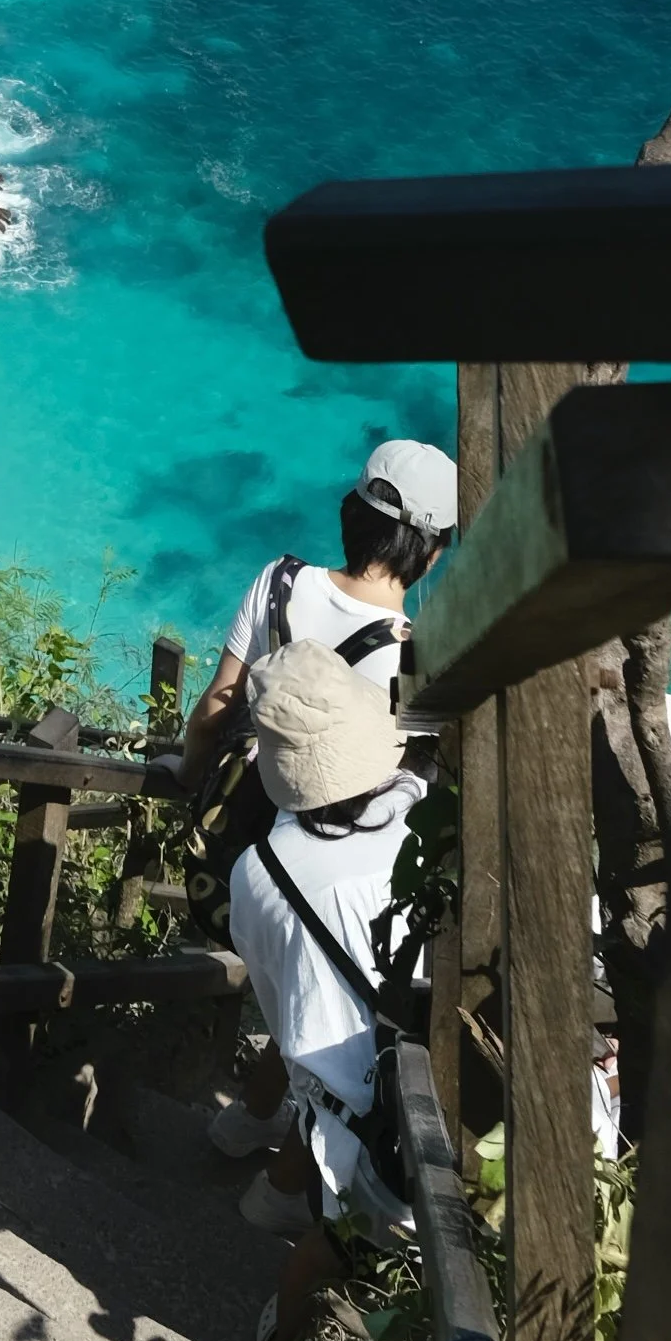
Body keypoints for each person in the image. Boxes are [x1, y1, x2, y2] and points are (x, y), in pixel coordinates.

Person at [181, 433, 454, 1146]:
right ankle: (280, 1155)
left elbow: (214, 707)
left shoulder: (280, 581)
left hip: (248, 845)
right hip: (337, 868)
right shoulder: (416, 652)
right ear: (429, 550)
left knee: (293, 997)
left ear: (352, 515)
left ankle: (247, 1121)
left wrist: (189, 782)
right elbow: (418, 777)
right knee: (339, 1016)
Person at [223, 636, 425, 1341]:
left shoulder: (260, 874)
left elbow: (282, 1025)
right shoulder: (433, 822)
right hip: (470, 1126)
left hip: (362, 1161)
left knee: (325, 1253)